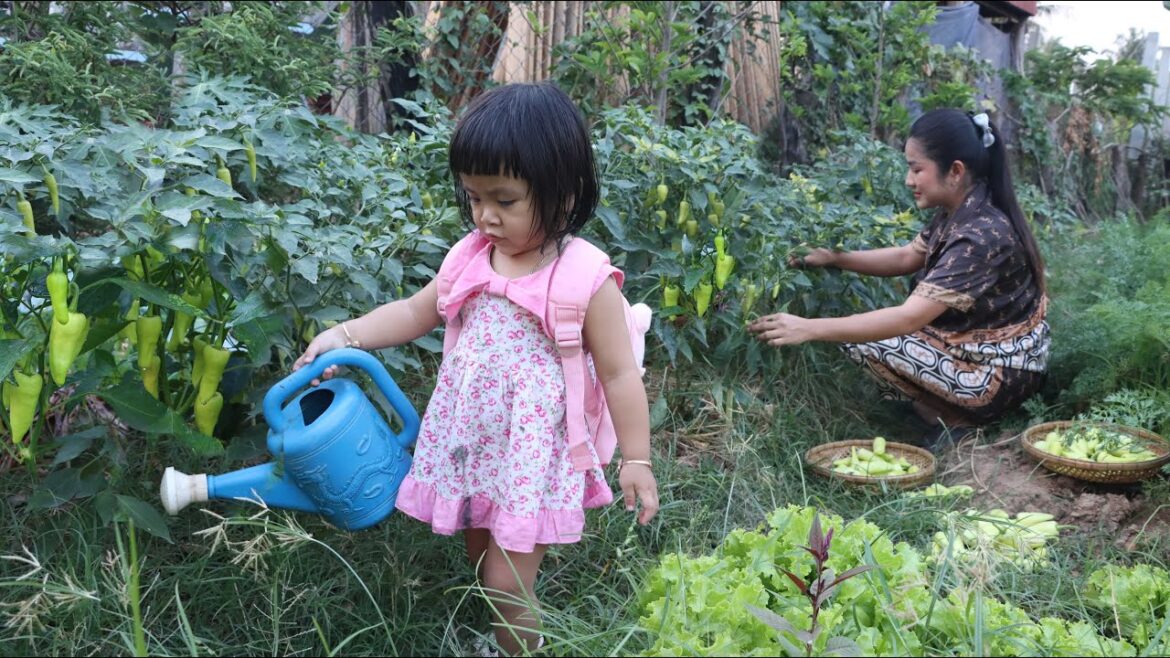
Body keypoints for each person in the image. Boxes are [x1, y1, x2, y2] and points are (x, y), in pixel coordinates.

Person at [294, 82, 659, 656]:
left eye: (504, 200)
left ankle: (521, 647)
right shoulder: (470, 257)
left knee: (505, 580)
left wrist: (636, 458)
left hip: (531, 454)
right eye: (472, 197)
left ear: (562, 194)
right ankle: (499, 633)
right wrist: (343, 335)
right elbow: (416, 311)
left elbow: (618, 374)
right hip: (474, 444)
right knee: (479, 552)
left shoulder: (583, 280)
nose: (485, 215)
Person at [748, 109, 1049, 447]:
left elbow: (907, 318)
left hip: (997, 377)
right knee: (868, 331)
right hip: (981, 353)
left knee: (865, 338)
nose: (909, 180)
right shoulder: (962, 210)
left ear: (955, 171)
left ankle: (958, 420)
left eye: (916, 169)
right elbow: (908, 255)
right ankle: (941, 409)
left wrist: (807, 327)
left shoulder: (980, 235)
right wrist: (835, 258)